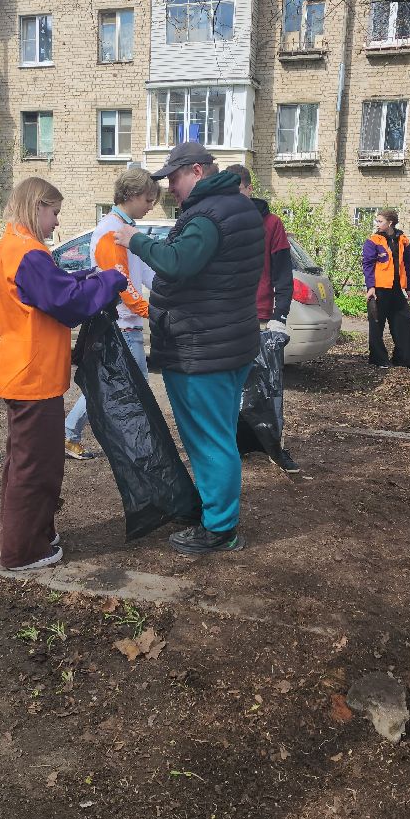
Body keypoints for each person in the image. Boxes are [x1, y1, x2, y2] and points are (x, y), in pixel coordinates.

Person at [113, 140, 264, 556]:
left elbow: (178, 262)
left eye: (173, 178)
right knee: (217, 436)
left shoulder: (208, 215)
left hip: (202, 350)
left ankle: (219, 528)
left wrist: (134, 239)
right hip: (226, 342)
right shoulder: (239, 208)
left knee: (209, 439)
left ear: (197, 171)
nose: (170, 188)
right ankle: (217, 512)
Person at [0, 177, 126, 572]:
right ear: (37, 207)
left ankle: (35, 532)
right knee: (36, 466)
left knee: (24, 461)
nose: (57, 223)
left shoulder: (11, 247)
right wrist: (110, 279)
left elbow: (52, 291)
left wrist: (87, 278)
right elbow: (66, 304)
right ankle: (23, 550)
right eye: (54, 213)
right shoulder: (30, 253)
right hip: (33, 377)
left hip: (20, 371)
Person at [64, 167, 159, 459]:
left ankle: (70, 433)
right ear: (131, 194)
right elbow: (119, 279)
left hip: (126, 322)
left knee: (113, 383)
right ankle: (72, 434)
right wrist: (148, 311)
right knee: (120, 384)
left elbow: (143, 273)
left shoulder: (124, 227)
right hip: (120, 323)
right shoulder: (112, 230)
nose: (151, 205)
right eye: (148, 199)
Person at [227, 163, 299, 473]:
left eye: (238, 190)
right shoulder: (221, 221)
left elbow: (283, 272)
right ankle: (235, 445)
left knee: (267, 389)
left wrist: (279, 315)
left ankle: (273, 446)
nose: (234, 197)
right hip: (229, 318)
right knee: (230, 388)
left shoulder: (271, 224)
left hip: (260, 318)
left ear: (249, 189)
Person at [362, 208, 410, 369]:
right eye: (377, 221)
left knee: (404, 323)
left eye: (380, 221)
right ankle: (378, 359)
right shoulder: (373, 240)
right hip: (379, 290)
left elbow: (407, 265)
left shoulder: (403, 240)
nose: (377, 224)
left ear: (390, 223)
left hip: (397, 290)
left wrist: (408, 287)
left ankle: (404, 359)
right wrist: (370, 287)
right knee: (377, 325)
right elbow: (367, 265)